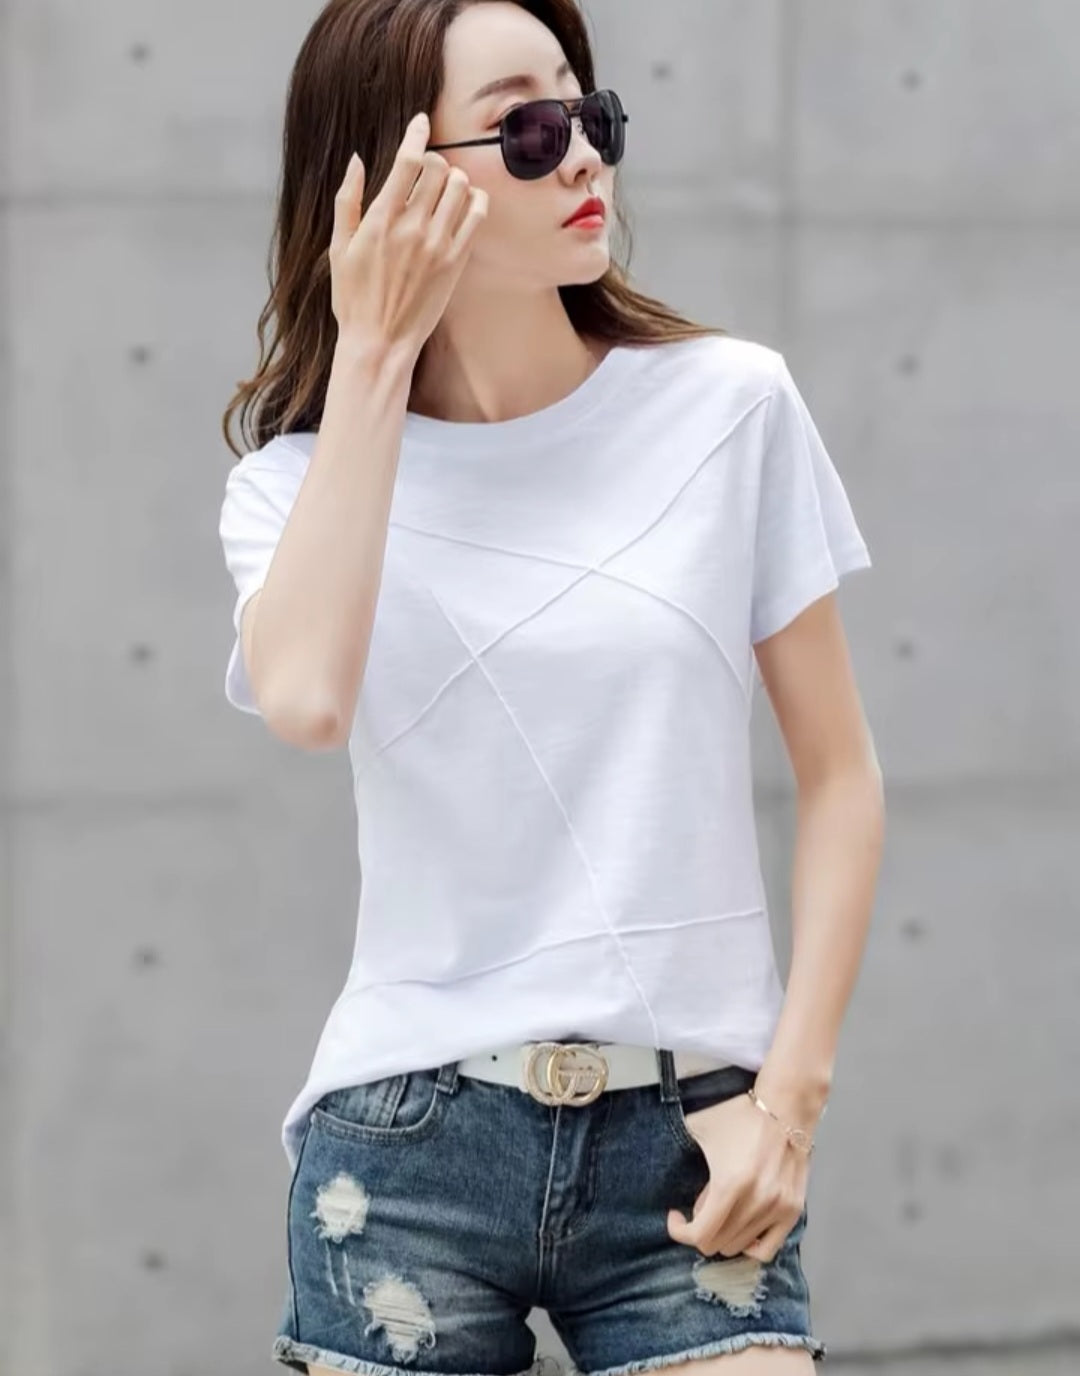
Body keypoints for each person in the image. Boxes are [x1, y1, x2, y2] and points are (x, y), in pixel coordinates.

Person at [217, 2, 885, 1372]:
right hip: (408, 1150)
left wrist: (789, 1103)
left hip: (688, 1148)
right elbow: (305, 701)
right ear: (395, 179)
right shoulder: (292, 487)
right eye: (528, 126)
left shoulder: (727, 407)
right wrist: (377, 356)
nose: (583, 156)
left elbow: (843, 779)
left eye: (594, 115)